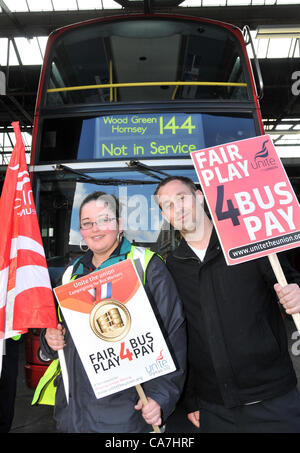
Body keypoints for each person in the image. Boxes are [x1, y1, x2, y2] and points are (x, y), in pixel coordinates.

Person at [155, 175, 300, 433]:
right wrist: (191, 399)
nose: (177, 209)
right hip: (214, 408)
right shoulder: (172, 267)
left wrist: (298, 293)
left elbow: (290, 283)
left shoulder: (249, 244)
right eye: (167, 206)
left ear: (199, 196)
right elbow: (182, 336)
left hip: (273, 398)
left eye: (181, 198)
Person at [35, 191, 186, 433]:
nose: (95, 229)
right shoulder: (70, 273)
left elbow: (174, 336)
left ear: (120, 224)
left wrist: (161, 397)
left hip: (127, 416)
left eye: (104, 220)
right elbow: (59, 332)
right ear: (81, 231)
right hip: (74, 415)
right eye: (87, 223)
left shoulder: (146, 265)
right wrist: (49, 340)